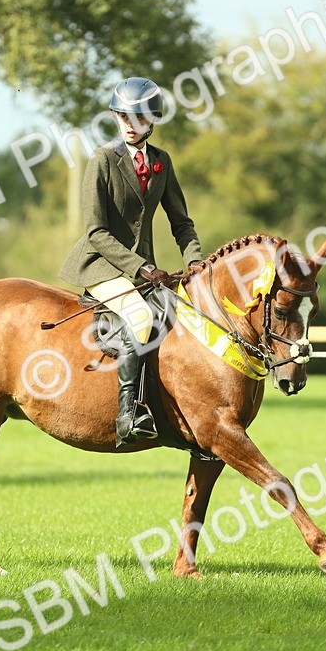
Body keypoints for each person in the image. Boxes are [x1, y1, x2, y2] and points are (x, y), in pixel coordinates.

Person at [58, 77, 206, 446]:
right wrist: (140, 267)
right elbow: (96, 231)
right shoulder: (103, 159)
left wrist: (196, 263)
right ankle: (129, 413)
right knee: (140, 318)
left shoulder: (161, 162)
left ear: (151, 120)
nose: (128, 122)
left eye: (137, 116)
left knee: (181, 316)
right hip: (102, 264)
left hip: (144, 269)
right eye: (122, 115)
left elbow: (181, 222)